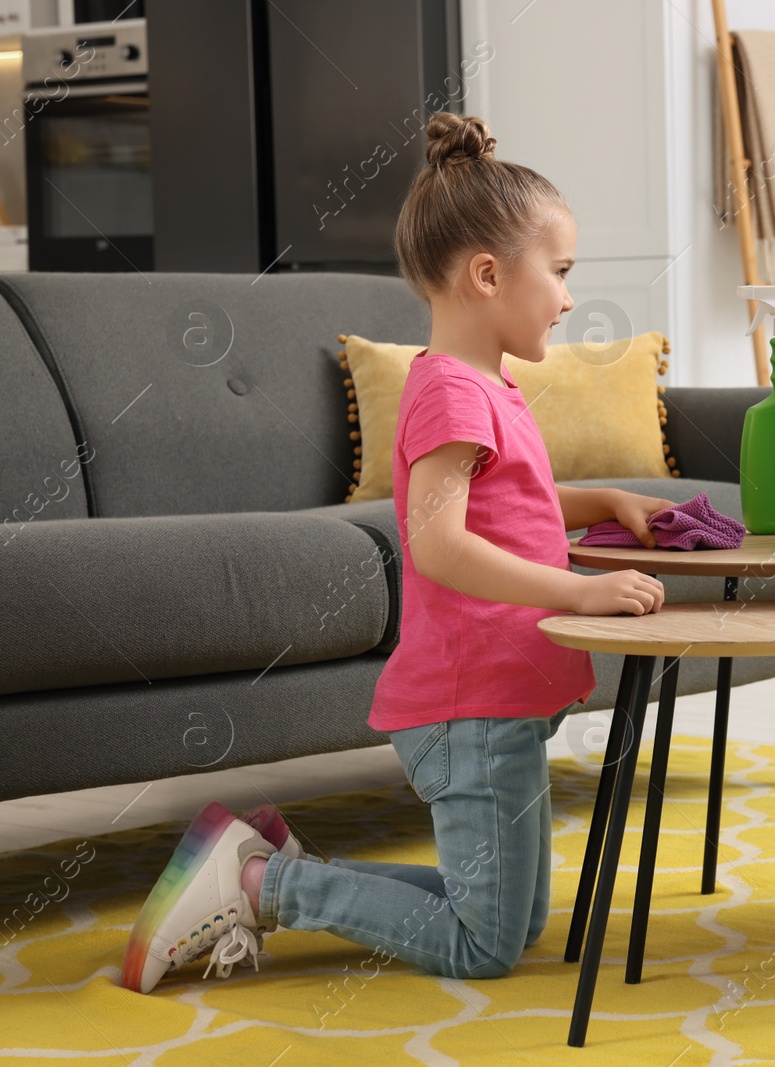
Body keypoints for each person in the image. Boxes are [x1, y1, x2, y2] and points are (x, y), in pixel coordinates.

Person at [122, 113, 672, 994]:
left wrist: (602, 500)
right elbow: (440, 543)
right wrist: (578, 590)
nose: (570, 298)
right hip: (471, 705)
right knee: (481, 945)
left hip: (505, 696)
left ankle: (273, 864)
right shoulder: (453, 393)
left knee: (514, 922)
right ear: (488, 275)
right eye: (561, 273)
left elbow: (509, 504)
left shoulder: (485, 385)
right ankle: (264, 886)